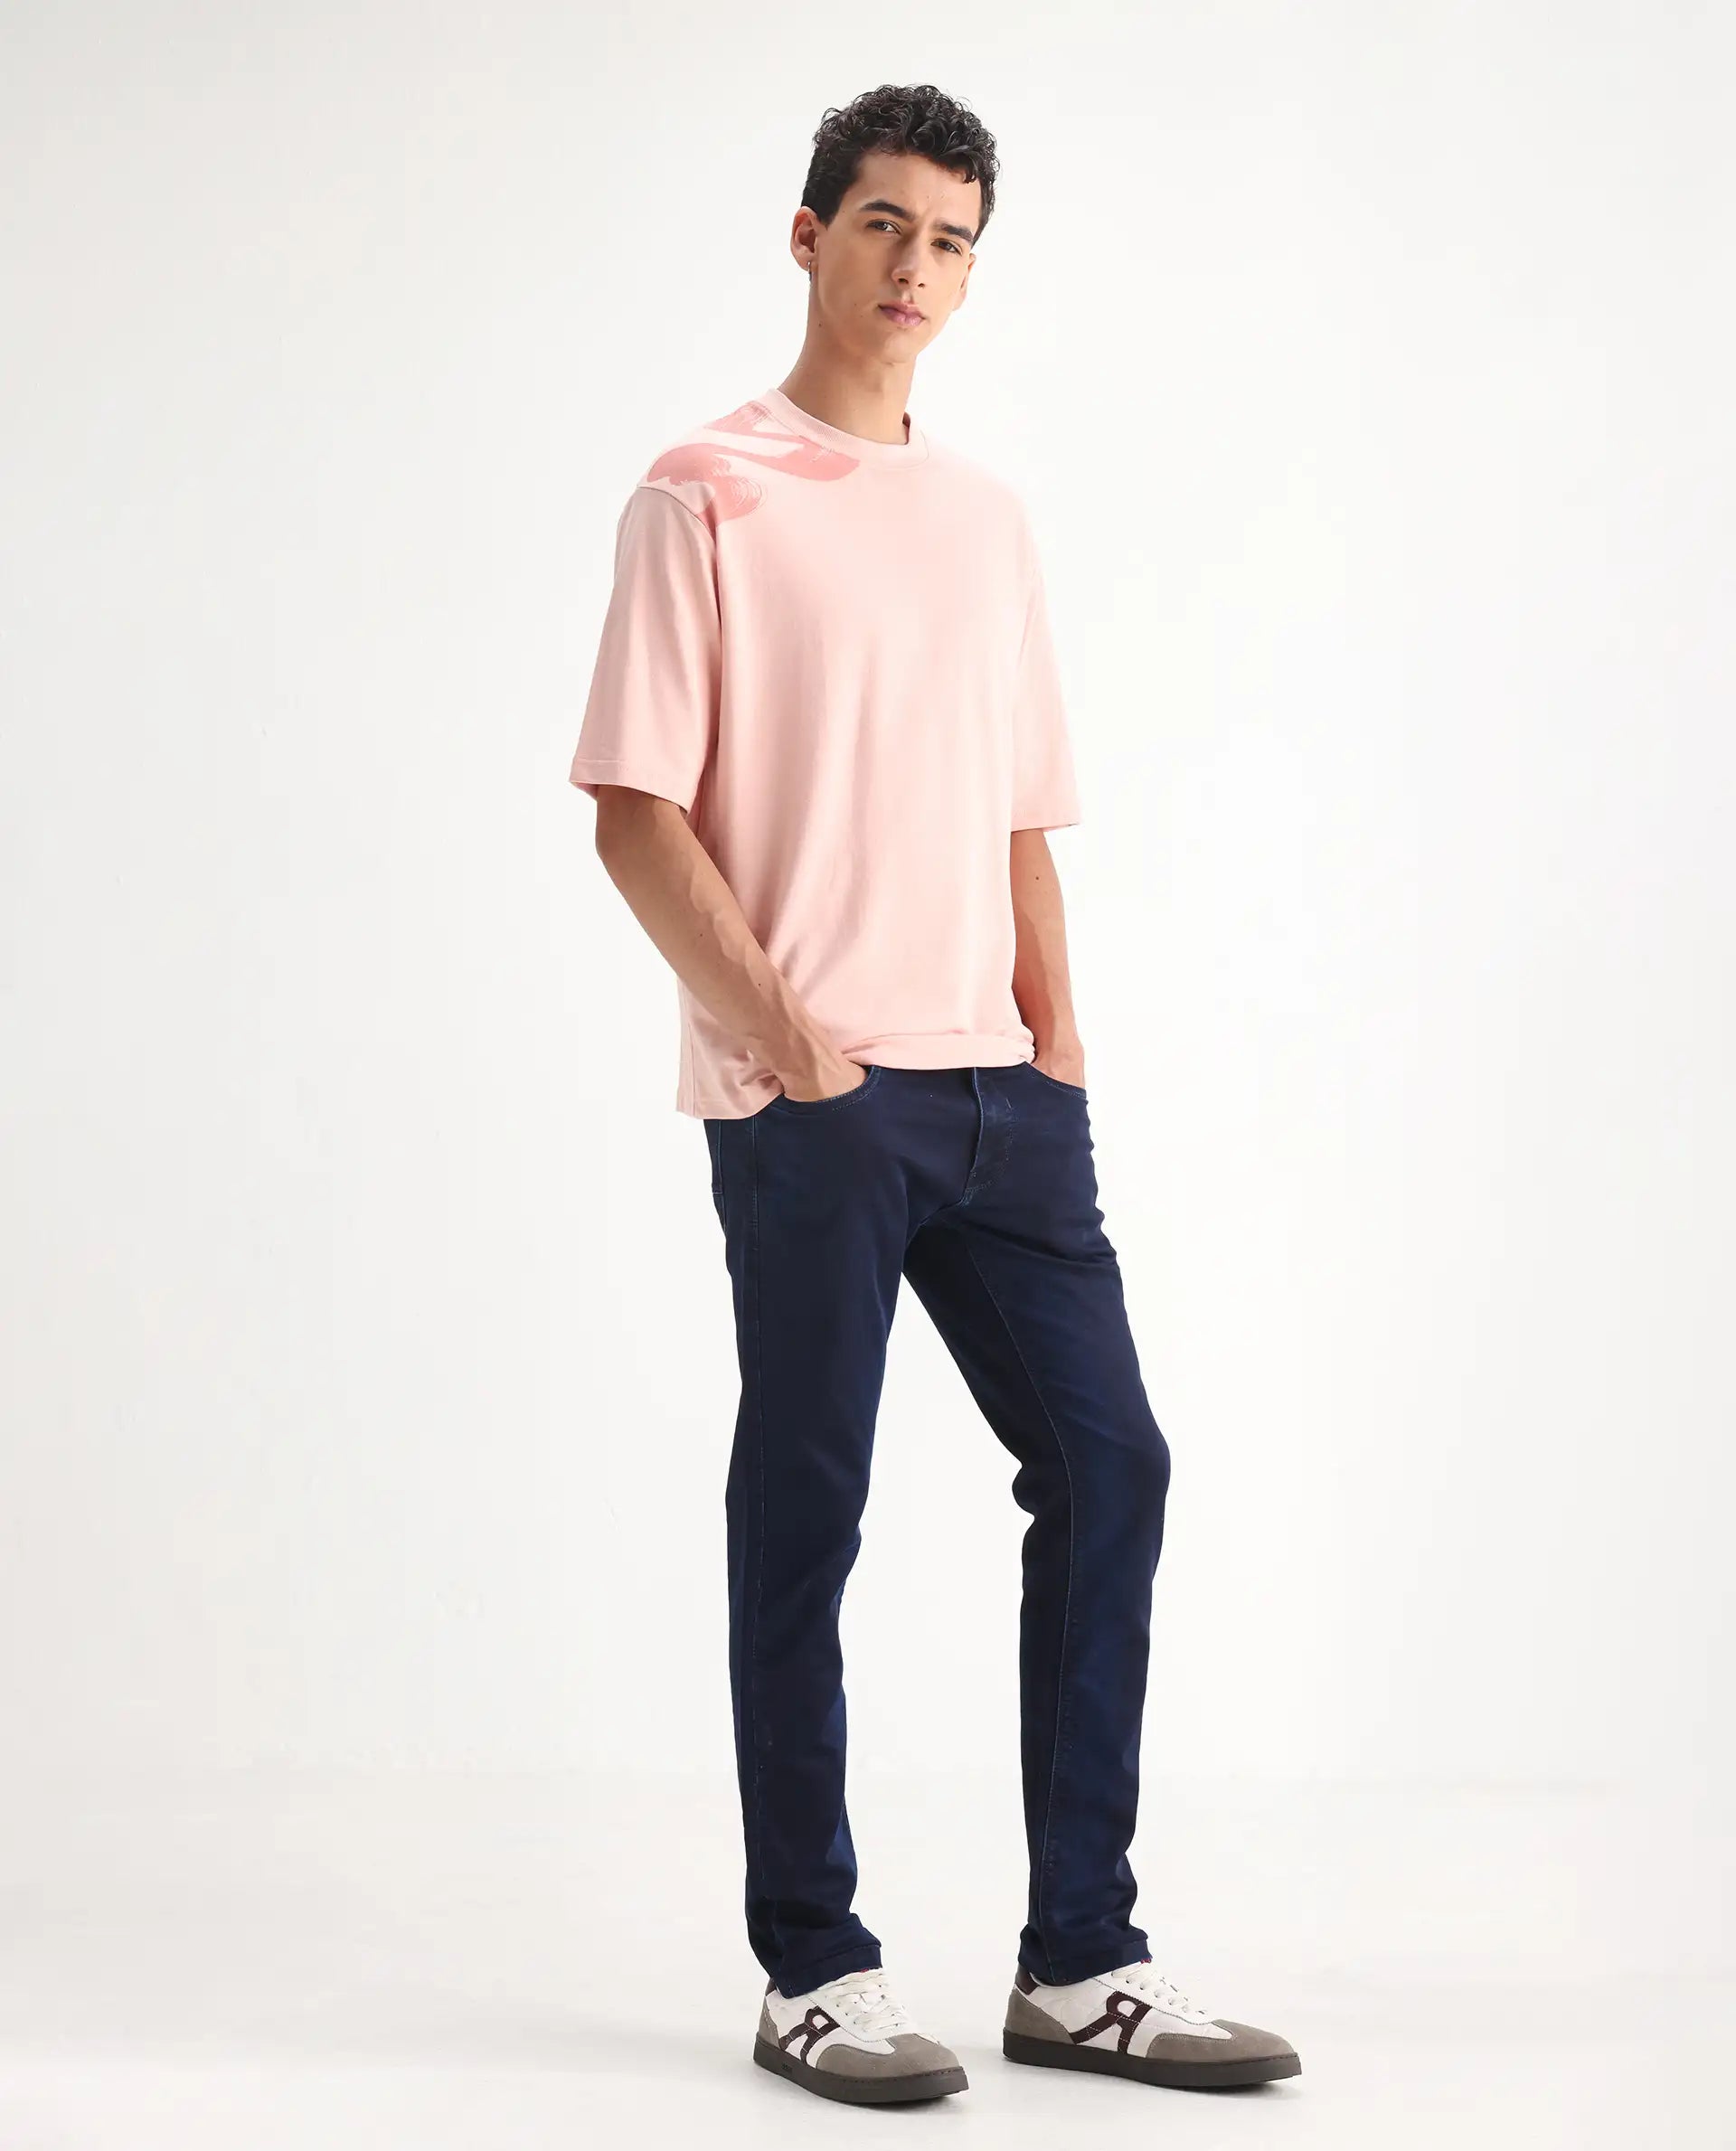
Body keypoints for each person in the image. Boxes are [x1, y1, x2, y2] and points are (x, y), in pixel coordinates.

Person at [568, 81, 1300, 2107]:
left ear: (975, 274)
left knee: (1115, 1464)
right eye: (883, 224)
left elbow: (1020, 812)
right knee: (807, 1509)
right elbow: (633, 814)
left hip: (1004, 1099)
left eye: (952, 240)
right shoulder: (703, 493)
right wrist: (795, 1045)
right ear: (809, 235)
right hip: (815, 1100)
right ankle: (814, 1966)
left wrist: (1056, 1042)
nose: (916, 267)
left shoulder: (987, 522)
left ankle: (1083, 1960)